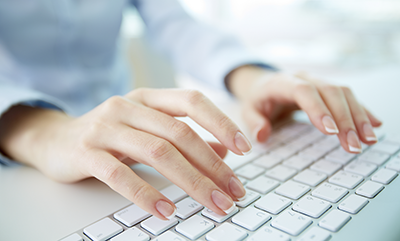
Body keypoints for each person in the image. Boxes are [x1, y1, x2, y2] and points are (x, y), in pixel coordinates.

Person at [0, 0, 381, 221]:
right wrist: (35, 130)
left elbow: (175, 23)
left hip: (134, 145)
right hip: (22, 158)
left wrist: (250, 78)